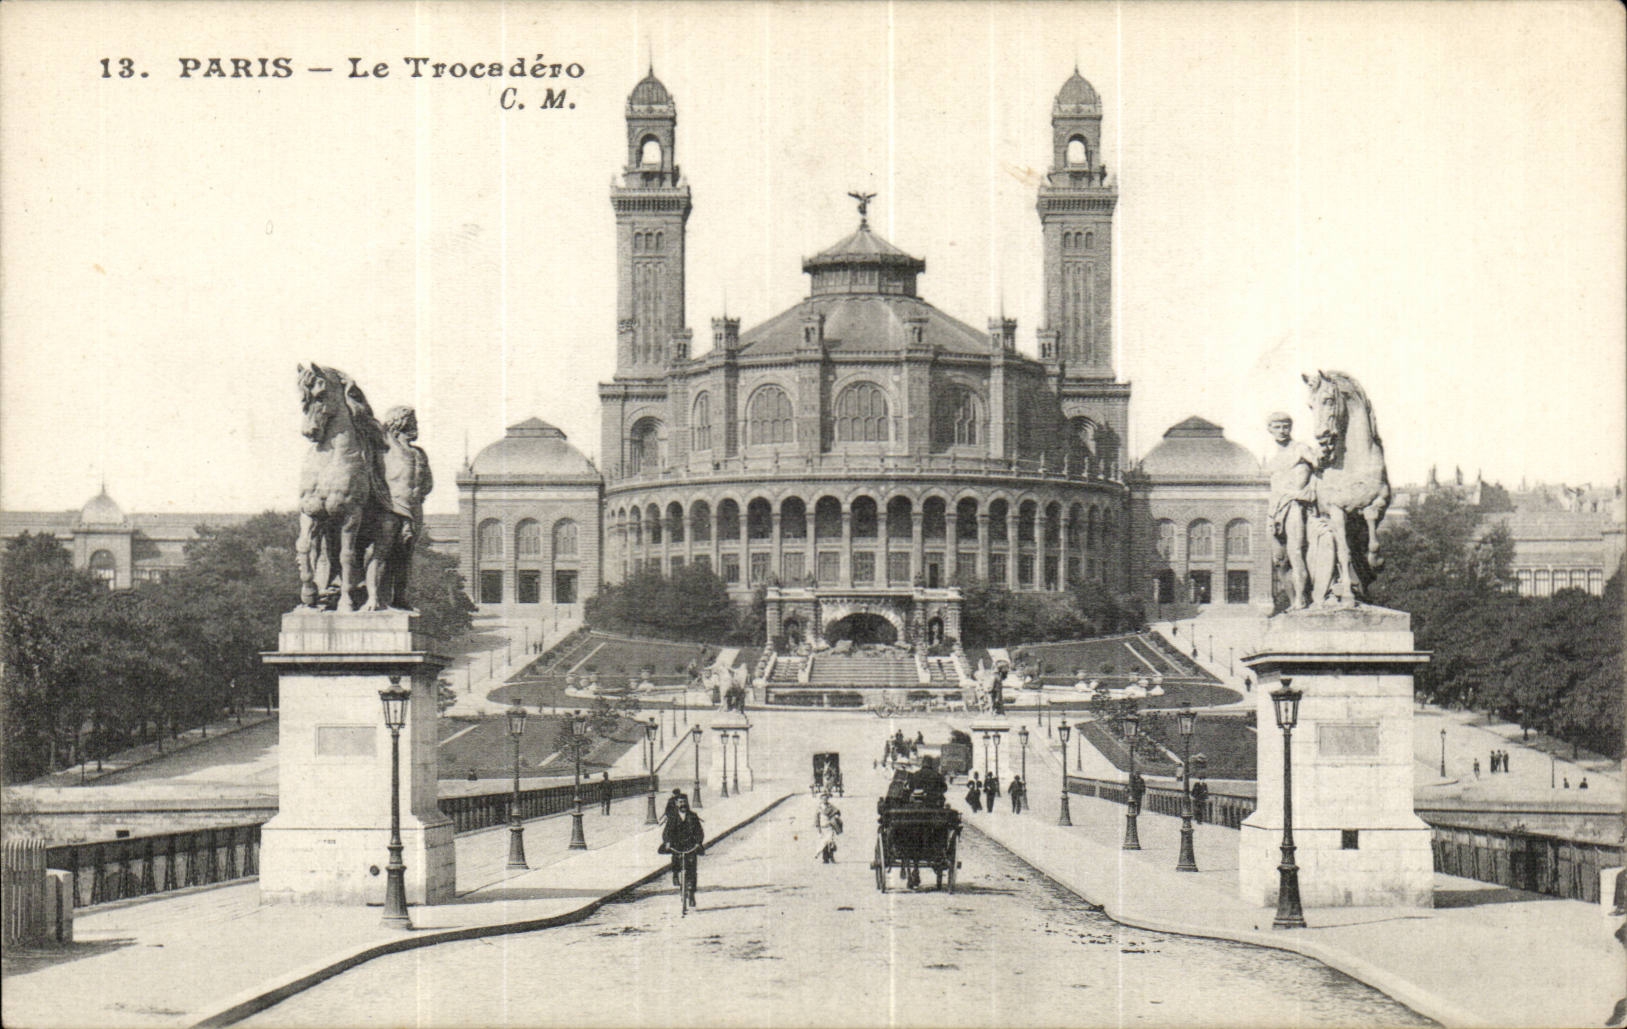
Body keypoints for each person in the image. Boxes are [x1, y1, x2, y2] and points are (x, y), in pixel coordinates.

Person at [1266, 411, 1320, 611]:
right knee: (1279, 561)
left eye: (1285, 426)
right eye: (1277, 427)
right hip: (1274, 510)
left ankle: (1300, 600)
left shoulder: (1300, 449)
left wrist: (1309, 490)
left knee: (1295, 552)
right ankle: (1291, 600)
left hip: (1295, 505)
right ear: (1270, 430)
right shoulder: (1272, 460)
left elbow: (1321, 468)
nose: (1282, 430)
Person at [660, 792, 704, 903]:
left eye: (684, 802)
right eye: (680, 802)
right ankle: (675, 875)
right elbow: (666, 832)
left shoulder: (692, 816)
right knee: (675, 861)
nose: (683, 804)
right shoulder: (672, 818)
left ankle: (692, 893)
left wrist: (698, 843)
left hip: (690, 845)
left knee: (692, 870)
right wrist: (668, 842)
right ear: (676, 803)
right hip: (677, 845)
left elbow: (699, 831)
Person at [814, 794, 843, 863]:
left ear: (828, 799)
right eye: (823, 799)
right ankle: (825, 858)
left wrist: (836, 816)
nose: (825, 800)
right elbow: (816, 818)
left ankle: (831, 857)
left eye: (826, 798)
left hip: (829, 827)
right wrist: (818, 828)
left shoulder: (831, 807)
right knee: (824, 843)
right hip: (822, 827)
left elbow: (837, 812)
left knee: (830, 842)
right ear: (821, 799)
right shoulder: (819, 808)